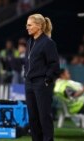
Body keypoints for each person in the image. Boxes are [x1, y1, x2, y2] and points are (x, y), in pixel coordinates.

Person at [24, 13, 60, 141]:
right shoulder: (29, 42)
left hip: (41, 84)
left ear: (38, 26)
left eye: (29, 25)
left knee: (44, 117)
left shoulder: (48, 43)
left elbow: (54, 64)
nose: (27, 27)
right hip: (29, 84)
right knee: (33, 118)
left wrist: (47, 79)